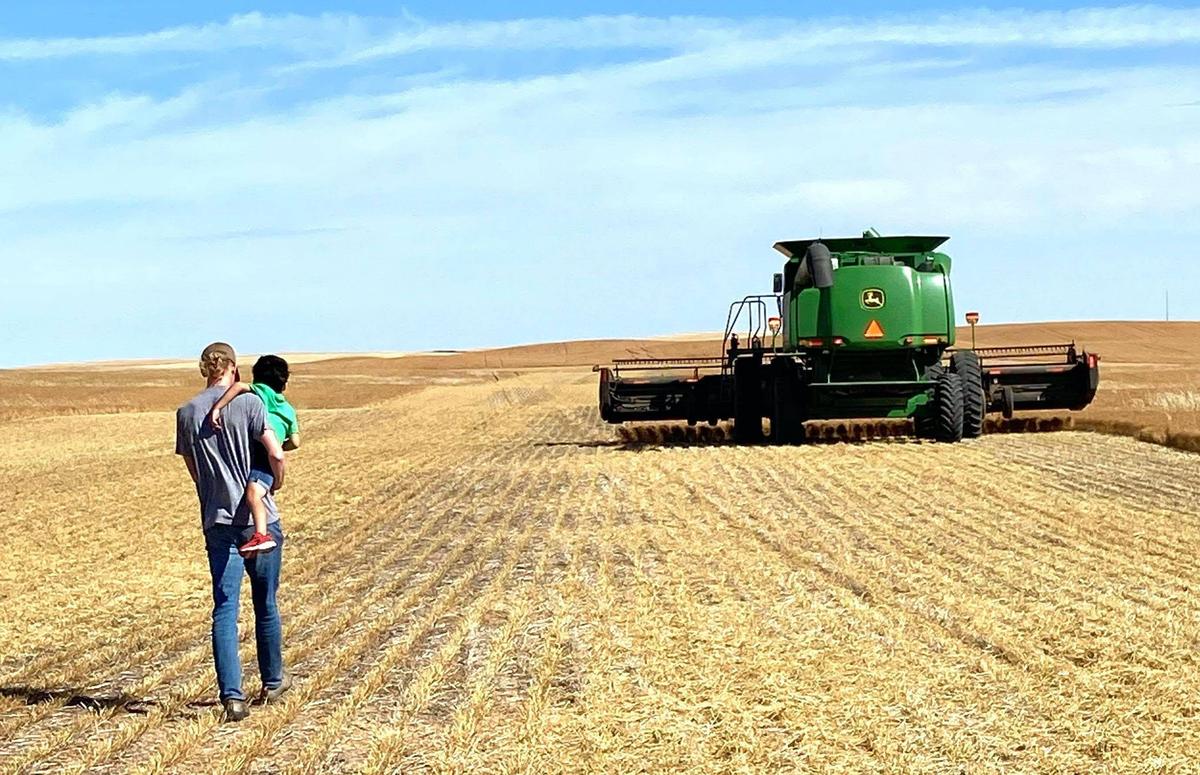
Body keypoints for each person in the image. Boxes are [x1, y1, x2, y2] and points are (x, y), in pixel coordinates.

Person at [175, 342, 293, 722]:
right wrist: (275, 483)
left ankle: (232, 697)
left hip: (218, 523)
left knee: (225, 609)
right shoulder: (251, 404)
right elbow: (276, 453)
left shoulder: (186, 413)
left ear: (204, 369)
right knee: (266, 604)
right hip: (260, 523)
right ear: (234, 368)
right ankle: (273, 681)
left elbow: (194, 471)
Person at [209, 355, 300, 557]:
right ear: (284, 381)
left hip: (262, 454)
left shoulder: (261, 392)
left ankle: (261, 535)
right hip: (270, 455)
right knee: (257, 492)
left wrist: (217, 408)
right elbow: (295, 442)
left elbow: (239, 386)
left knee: (253, 494)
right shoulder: (288, 409)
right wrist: (280, 443)